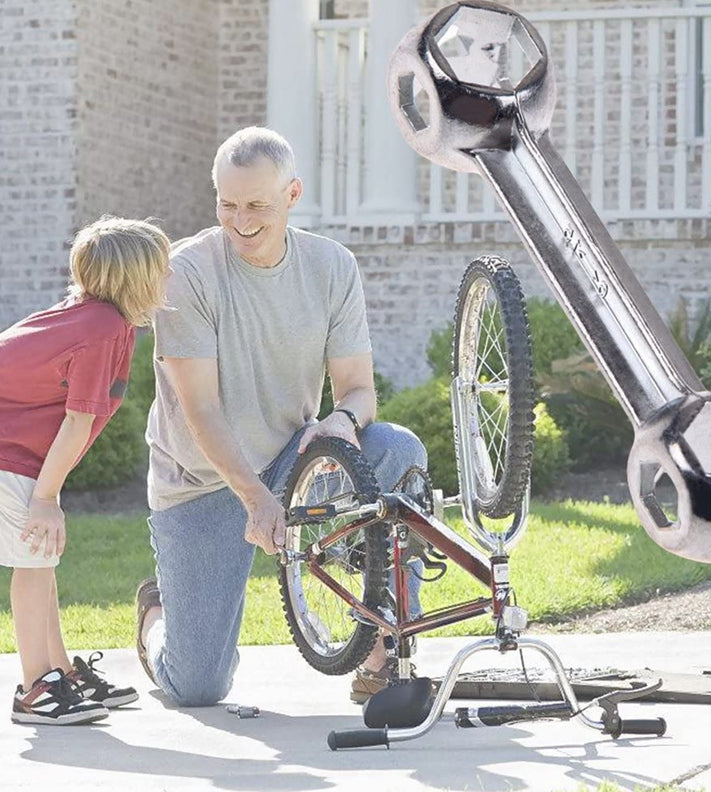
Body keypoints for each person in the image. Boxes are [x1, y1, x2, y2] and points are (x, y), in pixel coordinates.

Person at [137, 126, 427, 708]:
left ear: (292, 195)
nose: (240, 220)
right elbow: (201, 409)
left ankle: (383, 648)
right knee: (197, 687)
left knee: (397, 450)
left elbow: (358, 389)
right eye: (227, 204)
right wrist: (255, 500)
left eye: (257, 206)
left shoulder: (331, 266)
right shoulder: (186, 273)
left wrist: (343, 421)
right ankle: (155, 619)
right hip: (202, 483)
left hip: (294, 462)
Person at [0, 217, 172, 725]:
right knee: (32, 568)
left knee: (42, 563)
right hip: (8, 457)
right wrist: (46, 498)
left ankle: (58, 673)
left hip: (21, 457)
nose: (168, 279)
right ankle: (36, 689)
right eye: (161, 270)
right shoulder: (102, 328)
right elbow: (77, 420)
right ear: (135, 279)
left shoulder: (97, 320)